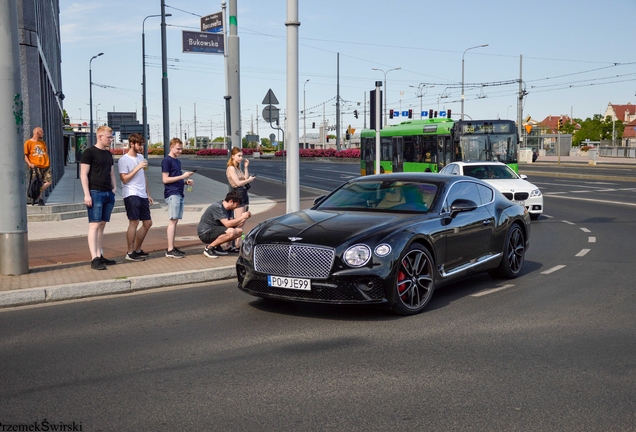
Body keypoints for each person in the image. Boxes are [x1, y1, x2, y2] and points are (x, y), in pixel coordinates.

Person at [80, 125, 118, 271]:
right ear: (100, 136)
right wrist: (87, 194)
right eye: (109, 137)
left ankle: (100, 254)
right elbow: (83, 174)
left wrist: (114, 188)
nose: (110, 140)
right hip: (95, 192)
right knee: (94, 224)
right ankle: (94, 258)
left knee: (102, 224)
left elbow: (112, 173)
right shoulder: (89, 153)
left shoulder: (108, 154)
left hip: (108, 192)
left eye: (111, 137)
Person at [118, 133, 153, 262]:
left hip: (142, 194)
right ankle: (130, 252)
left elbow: (144, 177)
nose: (141, 147)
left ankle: (137, 249)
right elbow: (124, 179)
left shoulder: (141, 157)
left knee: (148, 223)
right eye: (139, 145)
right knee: (134, 222)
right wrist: (137, 168)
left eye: (142, 145)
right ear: (131, 144)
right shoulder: (124, 160)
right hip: (131, 193)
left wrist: (148, 194)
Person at [162, 137, 195, 258]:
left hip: (179, 192)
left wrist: (186, 182)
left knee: (175, 220)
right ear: (171, 147)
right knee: (173, 220)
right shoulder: (167, 161)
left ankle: (172, 247)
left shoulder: (177, 161)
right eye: (178, 149)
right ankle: (170, 249)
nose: (180, 151)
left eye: (181, 149)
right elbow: (165, 179)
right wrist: (183, 176)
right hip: (172, 193)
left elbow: (174, 178)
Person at [197, 191, 251, 258]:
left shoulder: (230, 209)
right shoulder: (218, 207)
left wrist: (244, 218)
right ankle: (209, 248)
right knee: (231, 232)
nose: (237, 207)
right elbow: (228, 224)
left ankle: (216, 246)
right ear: (231, 201)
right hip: (205, 233)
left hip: (215, 229)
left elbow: (233, 224)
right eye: (237, 204)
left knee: (239, 231)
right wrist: (242, 217)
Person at [225, 147, 255, 249]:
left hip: (244, 193)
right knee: (239, 221)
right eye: (239, 156)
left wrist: (246, 167)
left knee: (243, 220)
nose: (241, 158)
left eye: (241, 156)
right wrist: (249, 181)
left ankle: (239, 242)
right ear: (233, 156)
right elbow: (237, 183)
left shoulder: (238, 167)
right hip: (238, 193)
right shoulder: (231, 168)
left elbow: (245, 178)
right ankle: (234, 244)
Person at [24, 126, 52, 205]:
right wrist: (29, 164)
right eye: (42, 132)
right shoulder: (28, 143)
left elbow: (45, 152)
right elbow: (25, 155)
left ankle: (35, 194)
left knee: (49, 181)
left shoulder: (42, 143)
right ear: (37, 133)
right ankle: (40, 199)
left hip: (45, 165)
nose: (43, 134)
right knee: (38, 182)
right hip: (36, 166)